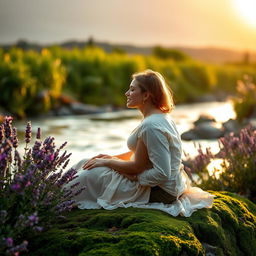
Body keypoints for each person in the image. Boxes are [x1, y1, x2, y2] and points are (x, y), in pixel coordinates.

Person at [64, 70, 214, 217]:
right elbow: (142, 153)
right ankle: (51, 194)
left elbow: (162, 173)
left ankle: (53, 201)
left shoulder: (152, 126)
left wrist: (132, 176)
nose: (126, 93)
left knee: (91, 175)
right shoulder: (158, 118)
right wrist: (111, 158)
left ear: (146, 95)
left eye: (132, 89)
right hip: (153, 184)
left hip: (157, 191)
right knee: (86, 163)